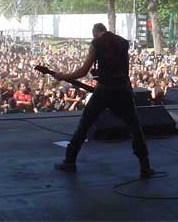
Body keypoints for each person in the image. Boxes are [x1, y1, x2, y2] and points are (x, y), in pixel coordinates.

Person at [49, 23, 154, 178]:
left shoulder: (97, 43)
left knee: (84, 124)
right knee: (135, 128)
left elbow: (83, 71)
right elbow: (123, 69)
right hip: (123, 89)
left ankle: (69, 161)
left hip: (104, 90)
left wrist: (62, 76)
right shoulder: (123, 42)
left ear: (95, 33)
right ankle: (145, 166)